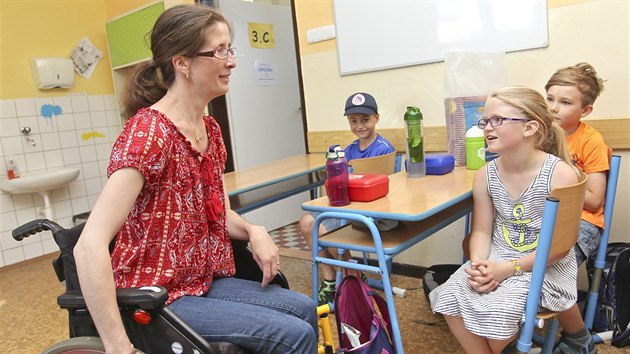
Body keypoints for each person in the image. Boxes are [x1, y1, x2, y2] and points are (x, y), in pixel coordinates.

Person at [73, 5, 318, 354]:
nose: (231, 61)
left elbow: (218, 213)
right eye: (220, 51)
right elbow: (89, 246)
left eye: (230, 49)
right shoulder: (148, 134)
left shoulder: (210, 130)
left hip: (201, 281)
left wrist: (253, 230)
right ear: (182, 62)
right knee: (293, 335)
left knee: (305, 310)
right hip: (157, 294)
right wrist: (118, 346)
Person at [429, 86, 579, 354]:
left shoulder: (560, 175)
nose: (488, 127)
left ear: (530, 128)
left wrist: (507, 269)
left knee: (498, 313)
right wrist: (478, 264)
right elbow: (483, 232)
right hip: (497, 255)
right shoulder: (485, 175)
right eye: (485, 121)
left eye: (497, 120)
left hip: (543, 263)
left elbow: (559, 249)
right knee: (448, 295)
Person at [298, 92, 395, 305]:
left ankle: (350, 273)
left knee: (327, 226)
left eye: (365, 119)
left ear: (377, 118)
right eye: (354, 121)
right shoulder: (348, 150)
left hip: (367, 213)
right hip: (347, 207)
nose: (360, 126)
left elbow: (382, 187)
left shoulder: (383, 149)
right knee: (306, 222)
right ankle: (331, 277)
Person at [545, 62, 609, 354]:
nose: (554, 108)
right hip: (544, 214)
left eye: (565, 102)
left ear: (585, 110)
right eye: (550, 99)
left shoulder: (590, 140)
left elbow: (595, 199)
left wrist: (560, 181)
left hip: (582, 221)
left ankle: (578, 336)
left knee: (551, 269)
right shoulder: (540, 135)